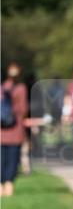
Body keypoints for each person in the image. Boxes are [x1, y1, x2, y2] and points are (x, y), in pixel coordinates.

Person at [1, 63, 29, 197]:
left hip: (1, 131)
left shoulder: (2, 87)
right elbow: (23, 110)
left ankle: (1, 187)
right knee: (12, 160)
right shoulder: (21, 88)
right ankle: (9, 186)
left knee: (2, 159)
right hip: (15, 130)